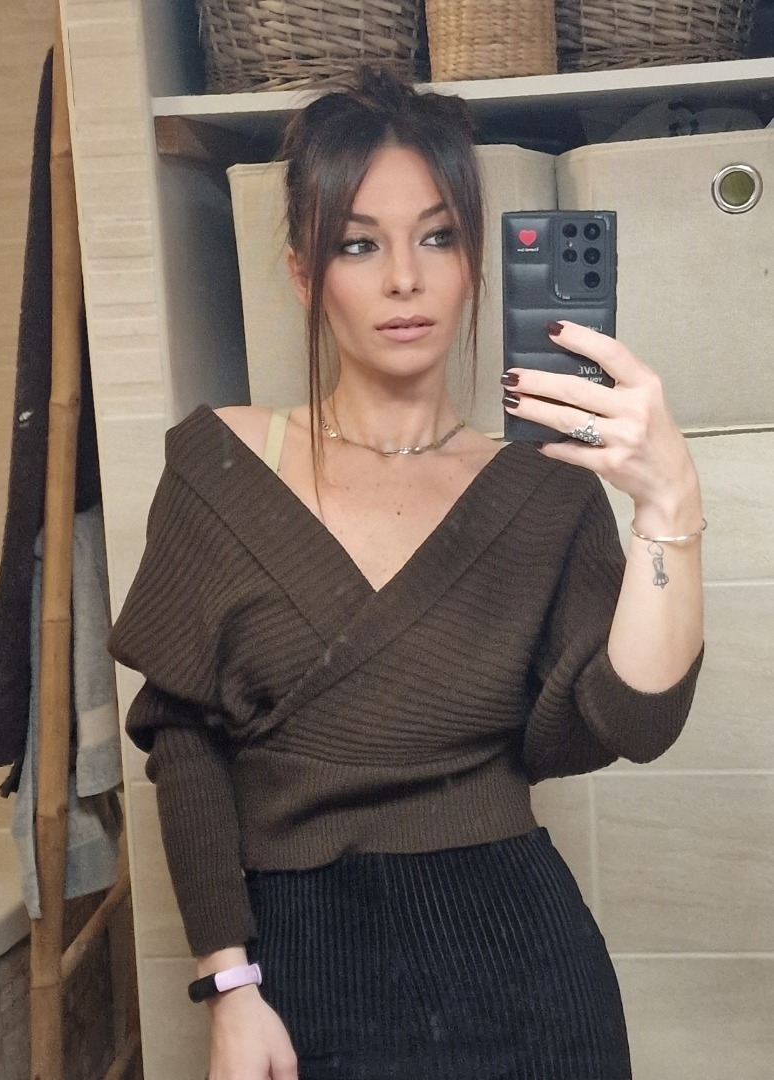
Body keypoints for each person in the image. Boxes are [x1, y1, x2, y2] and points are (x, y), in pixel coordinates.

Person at [108, 67, 704, 1080]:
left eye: (436, 237)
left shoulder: (543, 487)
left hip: (527, 973)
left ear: (473, 263)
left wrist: (669, 506)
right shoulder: (221, 465)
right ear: (305, 273)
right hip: (302, 971)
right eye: (358, 243)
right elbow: (184, 743)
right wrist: (229, 986)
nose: (403, 279)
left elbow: (633, 722)